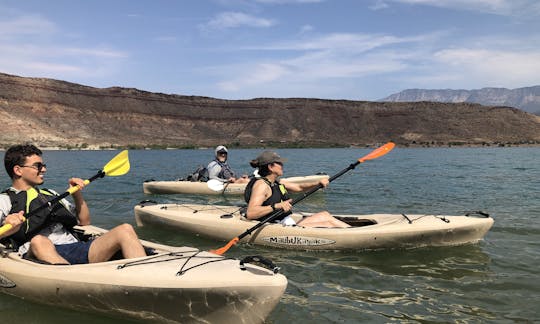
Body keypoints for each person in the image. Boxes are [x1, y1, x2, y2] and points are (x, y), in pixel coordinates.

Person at [0, 144, 147, 265]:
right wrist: (8, 228)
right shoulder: (5, 200)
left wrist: (76, 193)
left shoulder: (50, 194)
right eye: (38, 166)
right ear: (18, 170)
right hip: (38, 252)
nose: (43, 169)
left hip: (74, 247)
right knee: (39, 241)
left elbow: (84, 222)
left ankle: (144, 275)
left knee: (125, 230)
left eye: (43, 165)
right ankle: (72, 279)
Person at [244, 151, 351, 228]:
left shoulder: (277, 182)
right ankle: (352, 234)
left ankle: (352, 231)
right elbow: (251, 213)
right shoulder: (261, 185)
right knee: (328, 223)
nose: (282, 165)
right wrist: (276, 206)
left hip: (285, 222)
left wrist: (318, 183)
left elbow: (299, 187)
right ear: (270, 167)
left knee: (324, 215)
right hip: (275, 226)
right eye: (279, 163)